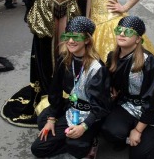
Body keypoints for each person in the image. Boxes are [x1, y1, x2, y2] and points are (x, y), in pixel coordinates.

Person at [31, 16, 111, 158]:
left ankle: (89, 140)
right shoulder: (63, 59)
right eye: (67, 36)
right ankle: (69, 138)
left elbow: (101, 105)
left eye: (76, 37)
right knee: (38, 147)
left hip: (90, 113)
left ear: (87, 40)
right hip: (72, 108)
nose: (70, 41)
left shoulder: (97, 67)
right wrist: (51, 120)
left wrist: (84, 126)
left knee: (76, 147)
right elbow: (55, 91)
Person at [102, 16, 154, 159]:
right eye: (119, 30)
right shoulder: (112, 56)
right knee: (109, 130)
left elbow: (152, 100)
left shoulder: (148, 61)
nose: (121, 34)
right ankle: (129, 133)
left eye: (128, 32)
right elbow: (110, 81)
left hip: (151, 109)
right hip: (127, 104)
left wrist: (138, 130)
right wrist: (111, 90)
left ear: (138, 39)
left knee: (139, 155)